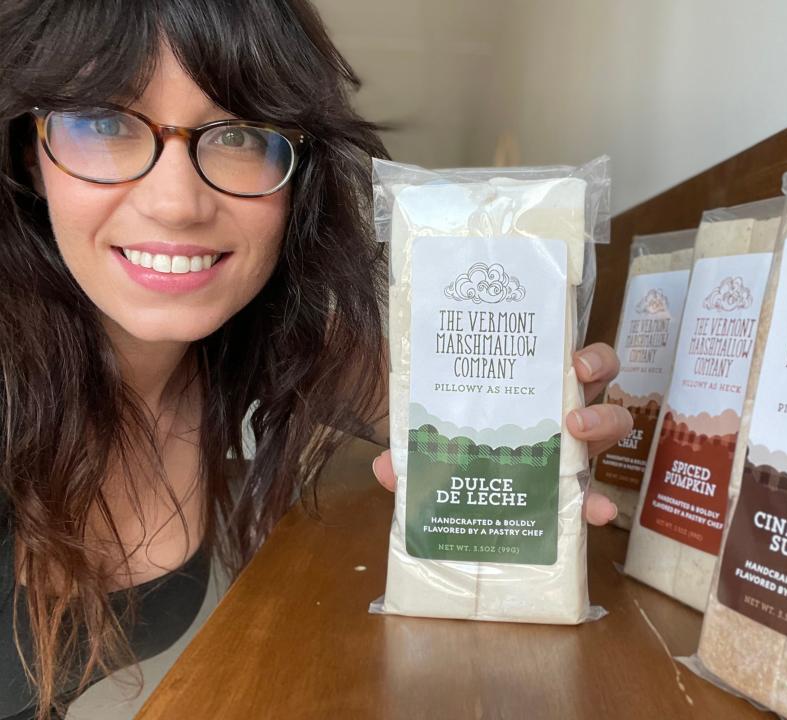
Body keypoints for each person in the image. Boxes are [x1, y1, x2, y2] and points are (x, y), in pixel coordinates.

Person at [0, 1, 631, 718]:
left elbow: (456, 404)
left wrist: (559, 422)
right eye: (106, 122)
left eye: (238, 131)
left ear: (296, 176)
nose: (176, 203)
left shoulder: (263, 341)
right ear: (30, 151)